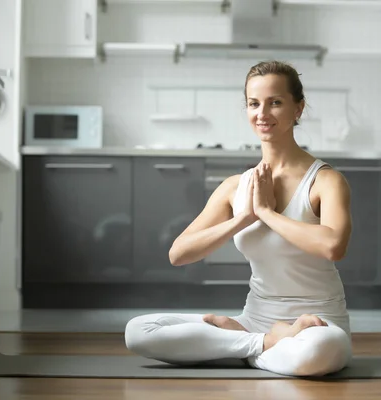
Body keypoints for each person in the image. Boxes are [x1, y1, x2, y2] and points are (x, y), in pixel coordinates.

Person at [125, 60, 353, 377]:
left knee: (319, 350)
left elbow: (333, 246)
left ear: (297, 109)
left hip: (317, 323)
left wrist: (267, 214)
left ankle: (244, 345)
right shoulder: (235, 187)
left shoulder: (326, 181)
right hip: (254, 319)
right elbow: (179, 253)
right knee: (138, 330)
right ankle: (264, 343)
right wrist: (242, 219)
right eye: (253, 104)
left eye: (275, 103)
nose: (262, 114)